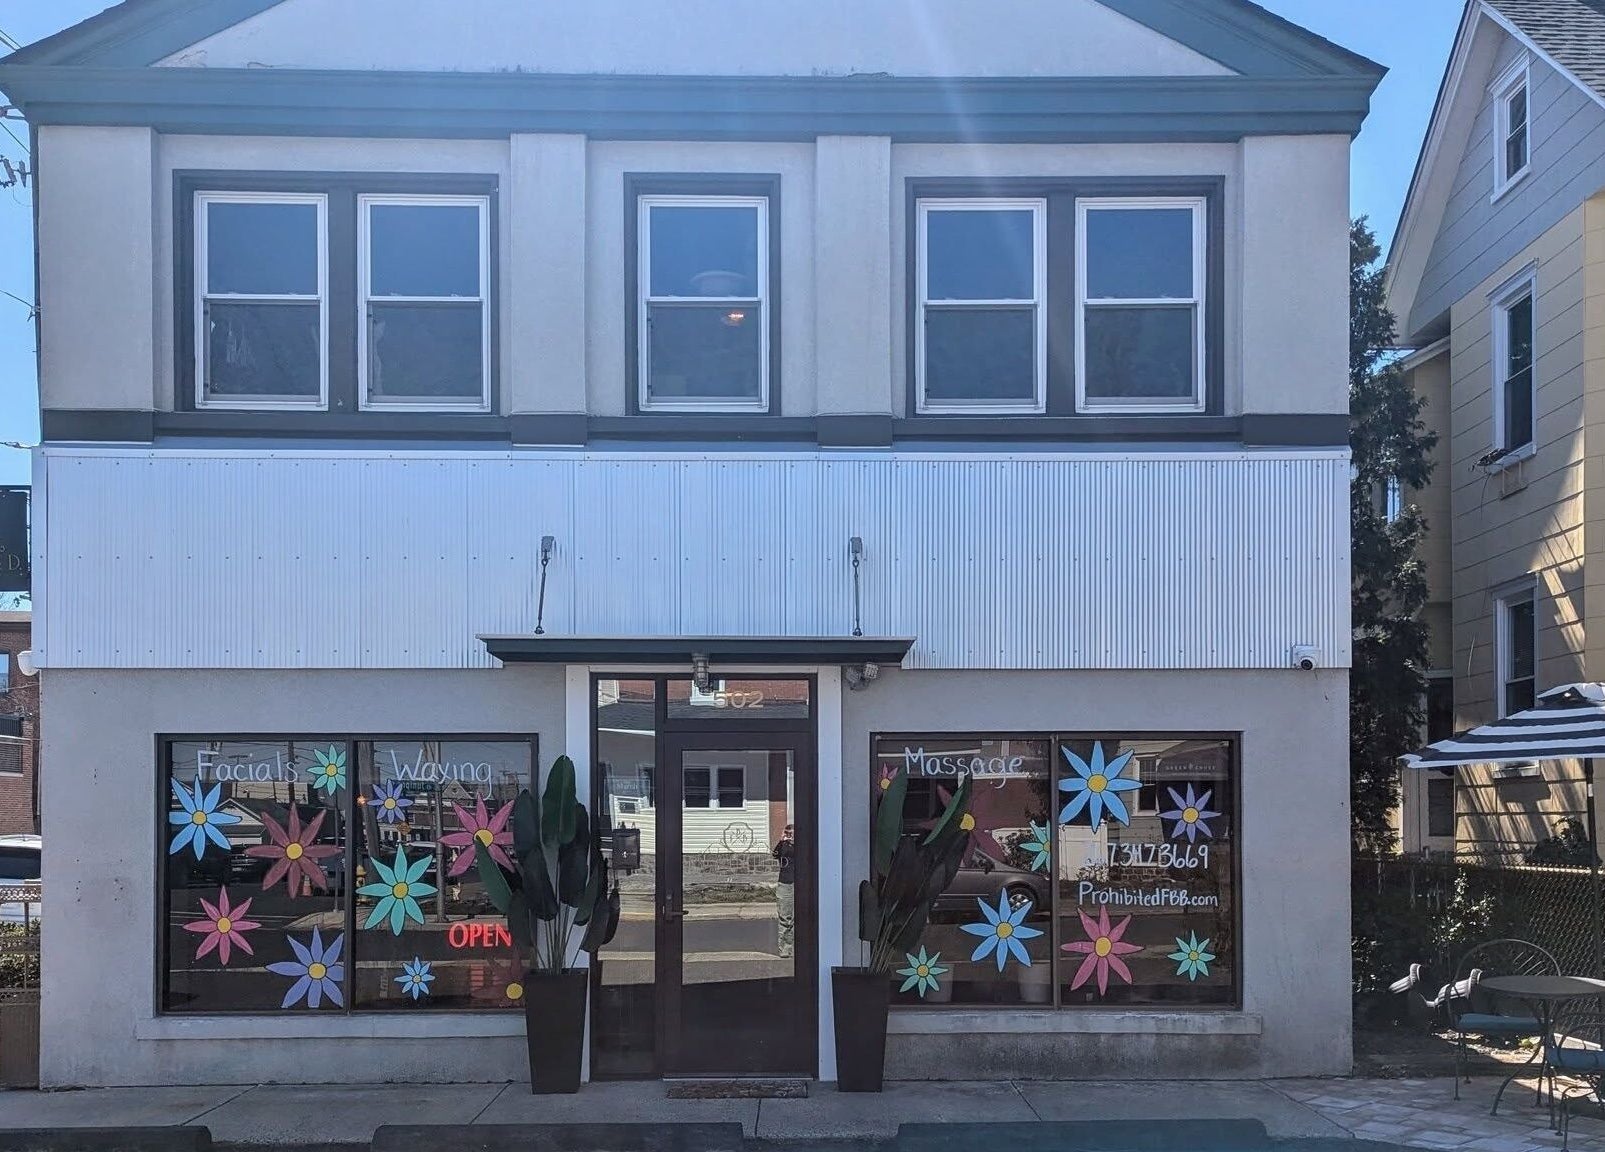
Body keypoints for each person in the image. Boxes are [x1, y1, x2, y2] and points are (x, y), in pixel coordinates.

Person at [772, 823, 795, 959]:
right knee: (785, 918)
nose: (789, 835)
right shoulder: (783, 846)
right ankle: (785, 949)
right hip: (785, 884)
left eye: (792, 833)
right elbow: (775, 855)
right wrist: (782, 841)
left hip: (801, 884)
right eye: (788, 833)